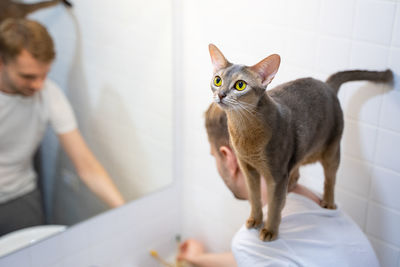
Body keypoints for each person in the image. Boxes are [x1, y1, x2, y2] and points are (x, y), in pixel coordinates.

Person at [177, 103, 379, 267]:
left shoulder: (251, 244)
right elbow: (272, 255)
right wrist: (198, 260)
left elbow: (258, 252)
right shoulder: (314, 200)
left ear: (228, 158)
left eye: (214, 156)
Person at [0, 18, 125, 236]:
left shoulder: (49, 94)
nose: (38, 85)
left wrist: (125, 211)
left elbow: (87, 166)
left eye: (44, 75)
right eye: (28, 76)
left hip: (21, 197)